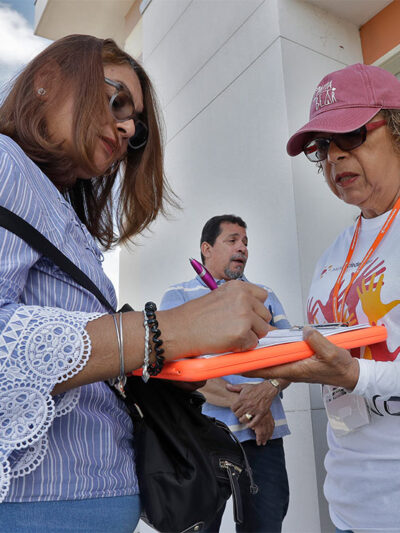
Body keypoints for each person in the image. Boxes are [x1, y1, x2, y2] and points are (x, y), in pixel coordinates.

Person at [0, 36, 272, 532]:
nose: (127, 128)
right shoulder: (5, 162)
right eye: (116, 99)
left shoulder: (62, 212)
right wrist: (160, 331)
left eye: (136, 124)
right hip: (38, 505)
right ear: (46, 82)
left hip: (96, 497)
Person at [252, 63, 400, 533]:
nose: (333, 156)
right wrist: (274, 366)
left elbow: (349, 367)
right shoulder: (332, 254)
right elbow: (333, 353)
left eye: (350, 135)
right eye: (322, 147)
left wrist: (354, 373)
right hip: (348, 503)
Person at [160, 214, 290, 533]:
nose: (242, 247)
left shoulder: (265, 295)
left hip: (264, 441)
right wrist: (251, 409)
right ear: (207, 248)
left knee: (266, 527)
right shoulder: (176, 298)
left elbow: (295, 354)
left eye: (245, 242)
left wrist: (268, 389)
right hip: (203, 438)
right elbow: (175, 371)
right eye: (232, 240)